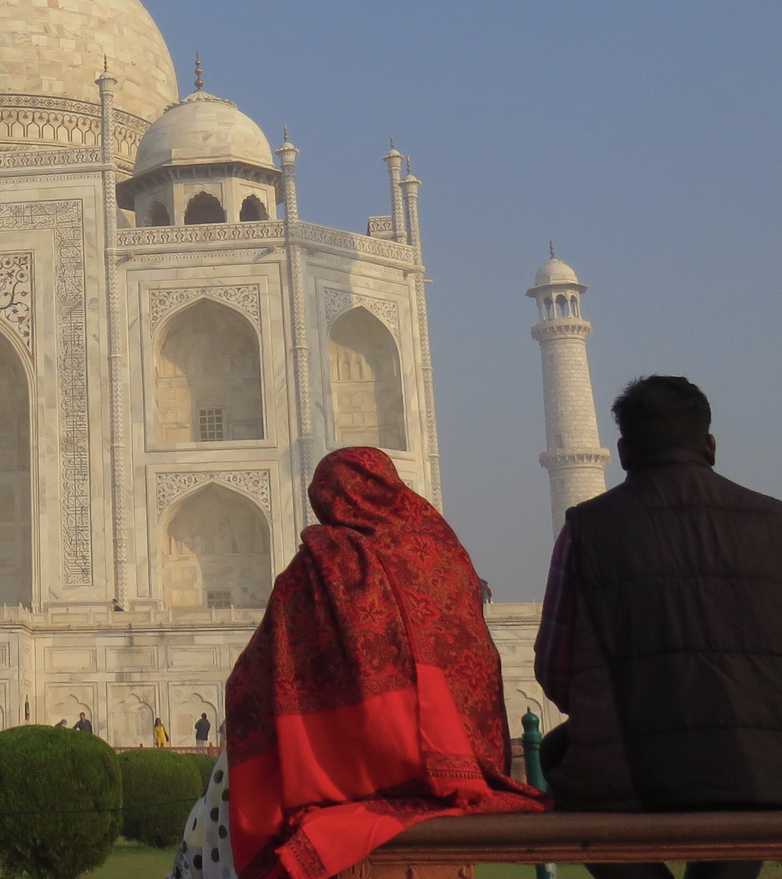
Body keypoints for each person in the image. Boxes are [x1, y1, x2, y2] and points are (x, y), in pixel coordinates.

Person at [224, 447, 542, 879]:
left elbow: (257, 676)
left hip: (353, 778)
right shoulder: (444, 557)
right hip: (465, 771)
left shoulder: (318, 564)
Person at [536, 377, 782, 879]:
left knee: (563, 761)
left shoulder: (586, 530)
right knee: (746, 781)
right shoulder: (774, 523)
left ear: (623, 451)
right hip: (757, 768)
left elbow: (555, 670)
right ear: (711, 445)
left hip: (626, 772)